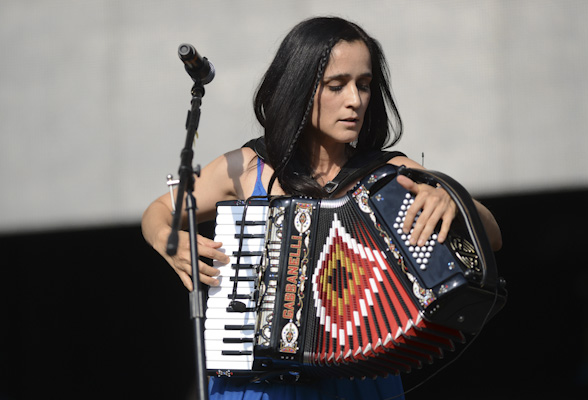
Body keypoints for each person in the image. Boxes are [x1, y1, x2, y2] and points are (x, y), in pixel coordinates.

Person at [142, 16, 502, 400]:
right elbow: (159, 212)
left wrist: (452, 196)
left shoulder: (391, 174)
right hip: (254, 389)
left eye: (364, 85)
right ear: (300, 88)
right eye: (337, 85)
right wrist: (169, 240)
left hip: (358, 386)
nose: (355, 100)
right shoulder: (250, 167)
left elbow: (492, 236)